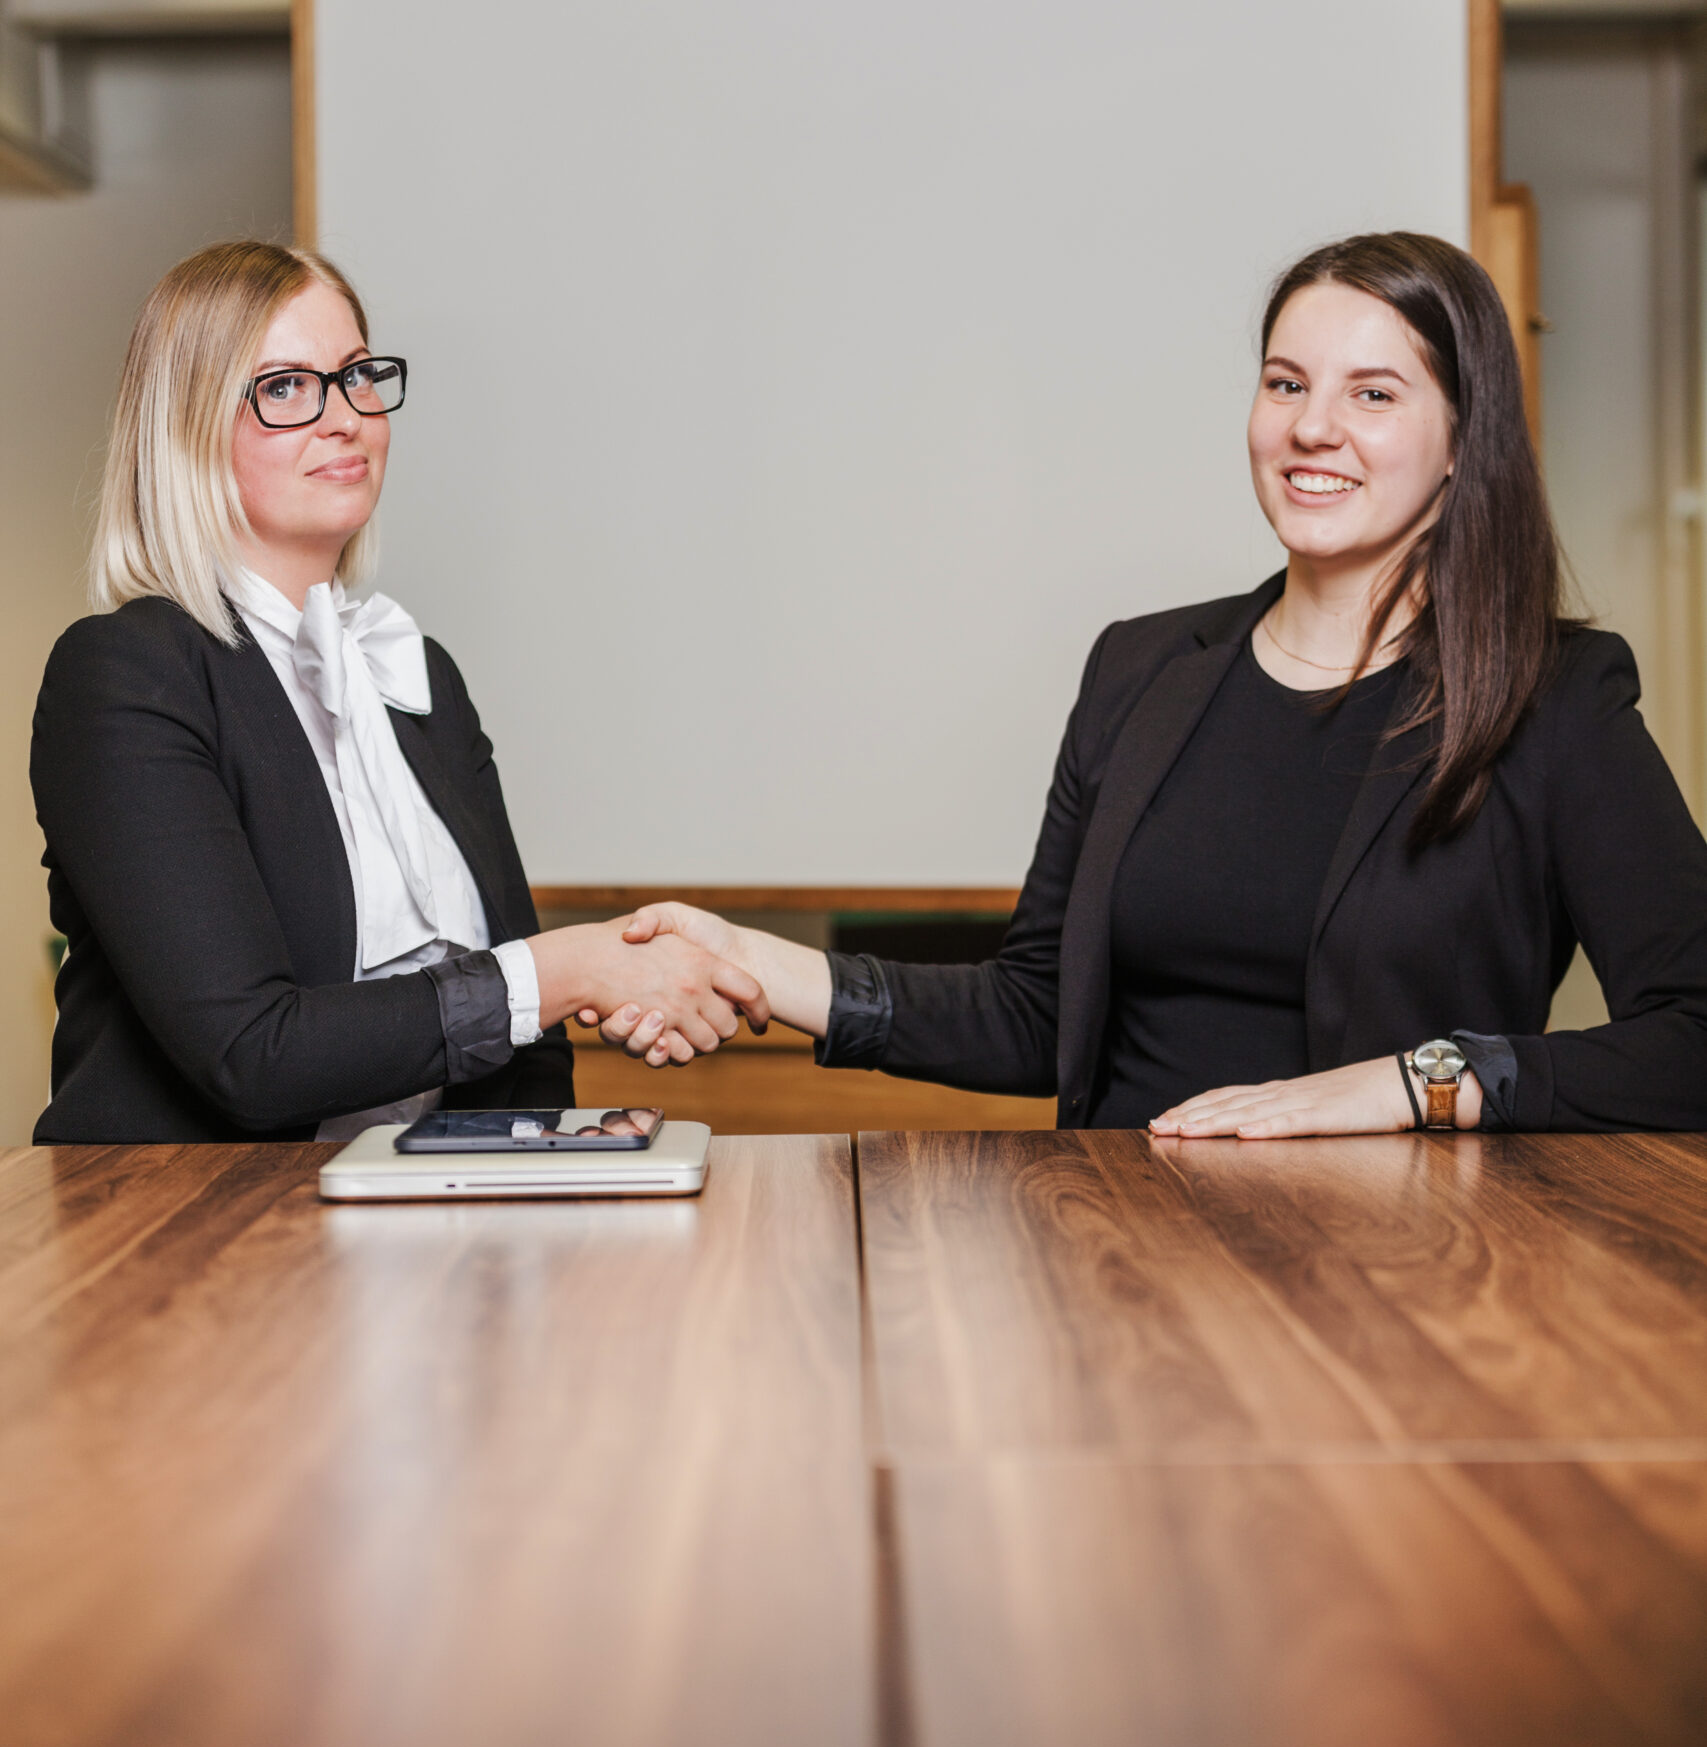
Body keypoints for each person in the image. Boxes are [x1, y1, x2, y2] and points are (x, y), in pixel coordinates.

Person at [605, 231, 1707, 1136]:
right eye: (1286, 383)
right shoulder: (1138, 668)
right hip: (1119, 1258)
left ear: (1466, 441)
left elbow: (1691, 1033)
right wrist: (753, 962)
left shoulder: (1552, 698)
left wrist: (1412, 1084)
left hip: (1395, 1285)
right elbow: (1037, 1013)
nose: (1311, 426)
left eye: (1374, 393)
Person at [32, 241, 766, 1144]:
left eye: (357, 376)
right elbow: (252, 1056)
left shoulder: (418, 675)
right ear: (183, 427)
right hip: (184, 1242)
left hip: (410, 1234)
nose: (345, 418)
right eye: (285, 387)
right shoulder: (124, 674)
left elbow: (524, 1052)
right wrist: (569, 969)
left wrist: (541, 1159)